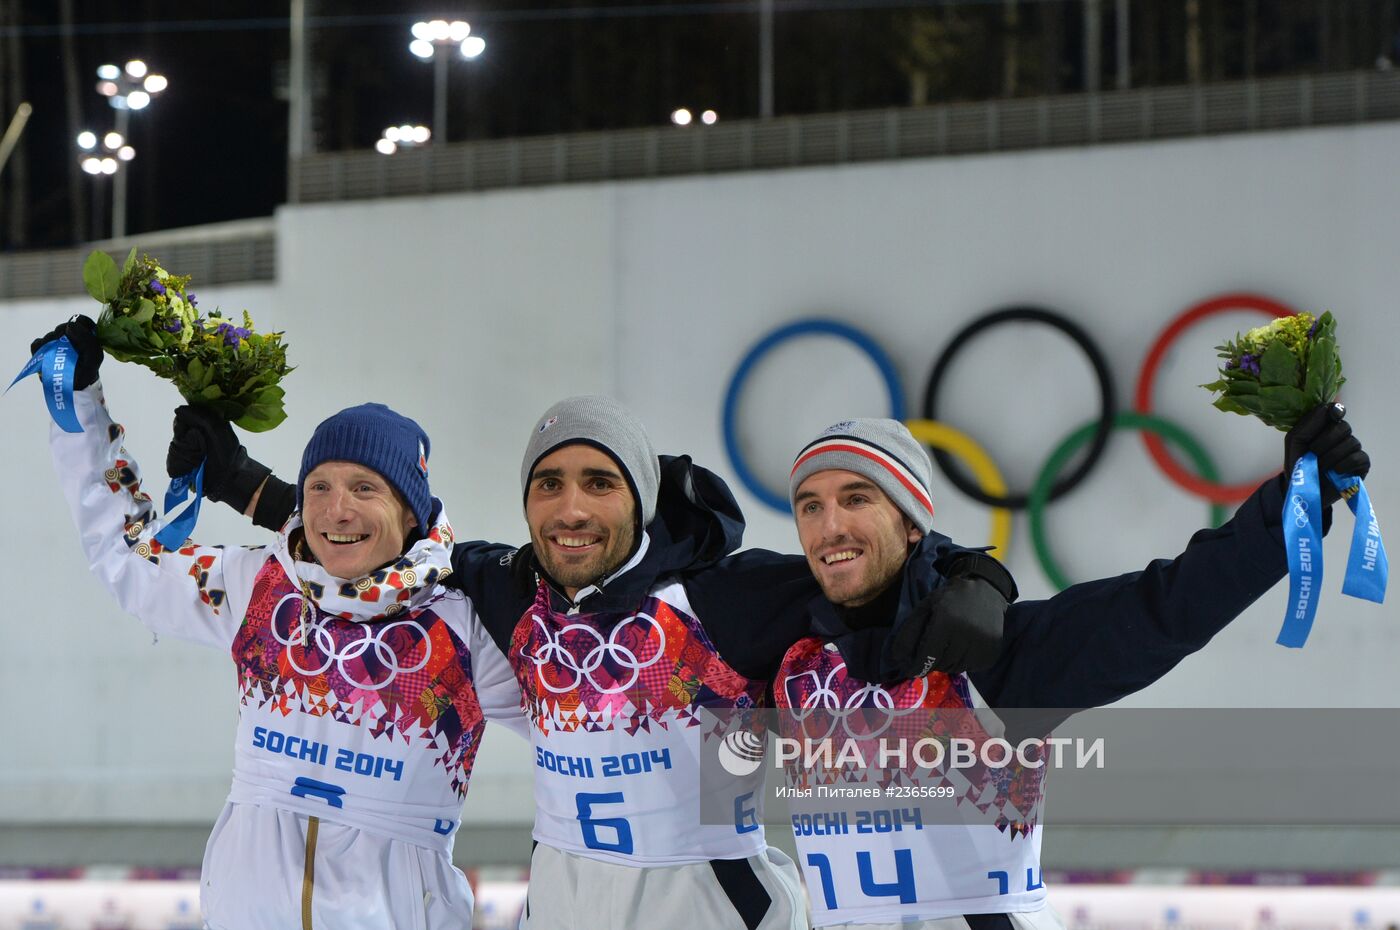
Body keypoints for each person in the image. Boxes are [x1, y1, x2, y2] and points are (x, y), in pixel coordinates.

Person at [176, 395, 1009, 929]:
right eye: (549, 484)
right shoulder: (509, 587)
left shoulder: (724, 596)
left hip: (714, 909)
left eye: (599, 483)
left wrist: (975, 576)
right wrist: (246, 483)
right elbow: (390, 536)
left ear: (638, 498)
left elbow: (859, 561)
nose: (571, 508)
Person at [775, 412, 1369, 929]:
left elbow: (1166, 608)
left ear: (910, 523)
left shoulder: (994, 656)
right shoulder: (789, 657)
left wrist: (1291, 506)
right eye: (811, 506)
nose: (830, 526)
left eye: (857, 498)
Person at [32, 318, 527, 930]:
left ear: (409, 509)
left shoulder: (467, 627)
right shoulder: (261, 590)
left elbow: (582, 718)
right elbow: (128, 557)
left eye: (364, 487)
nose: (335, 509)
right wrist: (79, 402)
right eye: (318, 486)